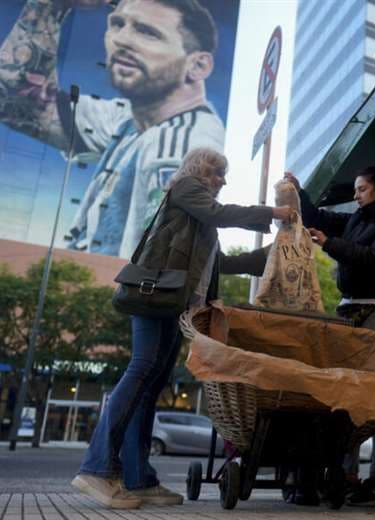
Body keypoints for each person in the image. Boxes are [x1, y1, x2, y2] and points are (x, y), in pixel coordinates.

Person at [71, 148, 293, 509]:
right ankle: (97, 468)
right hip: (155, 299)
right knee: (141, 371)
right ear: (201, 169)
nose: (222, 180)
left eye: (224, 174)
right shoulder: (186, 188)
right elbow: (219, 213)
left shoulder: (198, 219)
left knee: (150, 385)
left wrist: (275, 251)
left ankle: (138, 478)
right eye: (218, 172)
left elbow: (219, 263)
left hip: (177, 306)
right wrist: (271, 212)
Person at [0, 0, 225, 257]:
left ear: (198, 65)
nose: (121, 40)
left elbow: (162, 254)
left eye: (147, 32)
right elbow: (16, 98)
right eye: (117, 24)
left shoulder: (181, 144)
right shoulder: (132, 119)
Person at [284, 166, 375, 507]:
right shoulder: (356, 219)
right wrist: (299, 192)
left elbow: (374, 258)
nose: (356, 196)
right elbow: (319, 217)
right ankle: (347, 474)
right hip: (346, 313)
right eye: (356, 190)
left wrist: (328, 244)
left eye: (362, 189)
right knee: (344, 395)